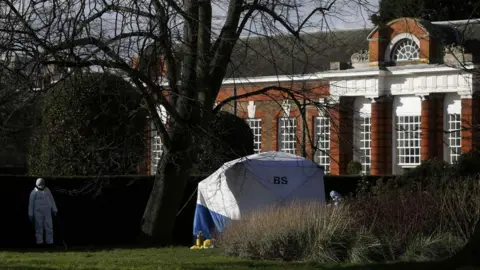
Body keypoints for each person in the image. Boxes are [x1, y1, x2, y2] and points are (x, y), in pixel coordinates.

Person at [28, 178, 58, 246]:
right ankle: (39, 242)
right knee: (39, 227)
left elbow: (51, 200)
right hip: (38, 212)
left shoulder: (47, 190)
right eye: (40, 184)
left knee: (49, 226)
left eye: (42, 184)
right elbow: (31, 204)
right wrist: (30, 214)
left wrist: (54, 209)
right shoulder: (33, 192)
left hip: (47, 212)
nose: (41, 186)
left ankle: (49, 242)